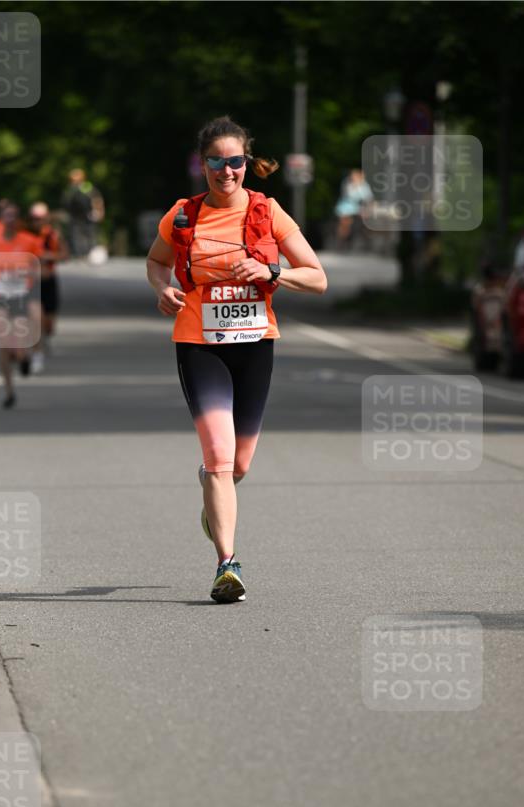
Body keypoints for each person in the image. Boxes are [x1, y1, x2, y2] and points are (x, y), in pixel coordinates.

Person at [146, 116, 326, 604]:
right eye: (216, 162)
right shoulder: (183, 215)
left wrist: (272, 270)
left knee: (238, 463)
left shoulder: (268, 213)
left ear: (246, 162)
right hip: (199, 344)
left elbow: (316, 276)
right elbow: (157, 260)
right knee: (220, 457)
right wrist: (163, 288)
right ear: (201, 164)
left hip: (253, 344)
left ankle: (212, 490)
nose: (227, 171)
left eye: (235, 161)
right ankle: (227, 564)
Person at [0, 203, 42, 408]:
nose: (10, 219)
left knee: (20, 342)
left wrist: (28, 274)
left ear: (18, 220)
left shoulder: (29, 241)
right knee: (4, 345)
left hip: (21, 296)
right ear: (0, 218)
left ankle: (24, 358)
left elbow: (38, 268)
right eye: (7, 216)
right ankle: (9, 391)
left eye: (14, 216)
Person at [25, 201, 68, 371]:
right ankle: (36, 349)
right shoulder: (24, 235)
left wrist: (48, 256)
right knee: (36, 317)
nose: (37, 222)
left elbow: (64, 255)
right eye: (35, 218)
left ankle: (45, 338)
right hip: (31, 282)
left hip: (49, 281)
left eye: (41, 218)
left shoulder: (53, 235)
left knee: (49, 323)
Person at [61, 168, 104, 258]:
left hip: (88, 215)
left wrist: (99, 211)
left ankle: (91, 253)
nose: (74, 182)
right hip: (75, 216)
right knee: (75, 235)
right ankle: (78, 254)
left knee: (91, 234)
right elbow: (66, 203)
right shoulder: (69, 190)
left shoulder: (87, 187)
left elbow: (96, 199)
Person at [334, 168, 374, 250]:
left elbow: (368, 198)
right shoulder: (347, 184)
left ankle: (367, 242)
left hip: (360, 208)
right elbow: (349, 195)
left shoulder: (364, 185)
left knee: (365, 223)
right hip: (346, 207)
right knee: (345, 223)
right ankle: (342, 243)